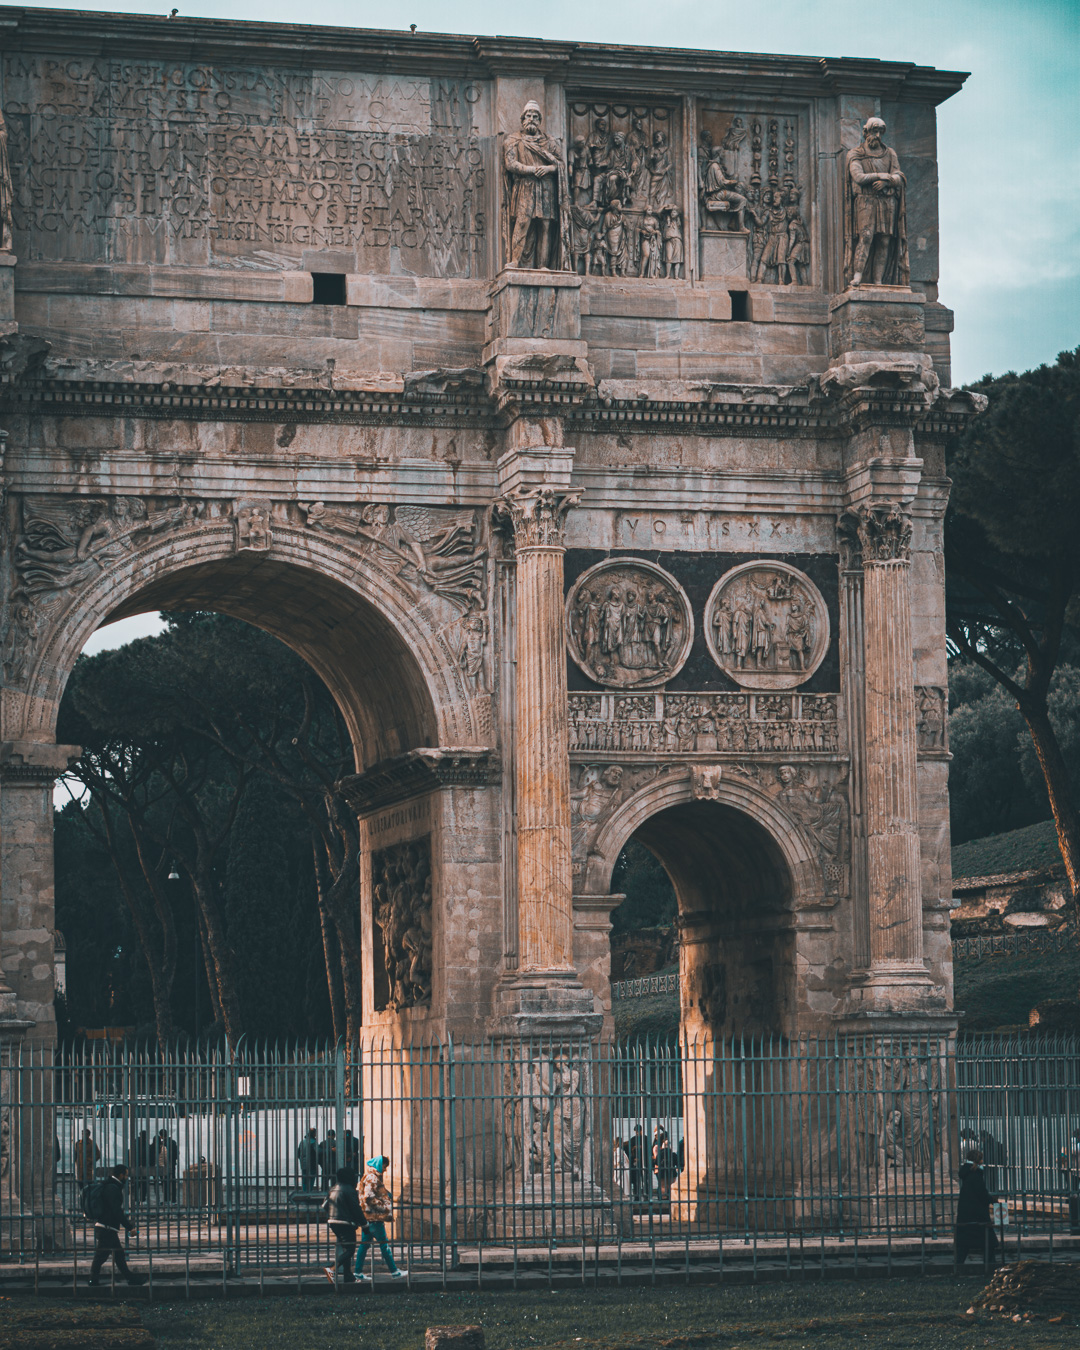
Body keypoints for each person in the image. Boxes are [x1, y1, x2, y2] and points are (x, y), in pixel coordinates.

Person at [88, 1165, 147, 1287]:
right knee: (102, 1256)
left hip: (106, 1227)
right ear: (120, 1175)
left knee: (118, 1255)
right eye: (126, 1175)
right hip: (107, 1228)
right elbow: (116, 1211)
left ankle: (129, 1278)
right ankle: (93, 1280)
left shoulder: (109, 1186)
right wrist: (130, 1227)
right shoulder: (112, 1188)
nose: (127, 1177)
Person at [354, 1155, 406, 1280]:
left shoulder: (369, 1177)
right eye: (384, 1166)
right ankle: (394, 1271)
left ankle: (357, 1271)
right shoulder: (372, 1178)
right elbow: (369, 1197)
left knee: (364, 1245)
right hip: (374, 1217)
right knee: (384, 1245)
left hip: (369, 1216)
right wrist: (384, 1207)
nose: (385, 1169)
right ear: (379, 1165)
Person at [321, 1166, 365, 1285]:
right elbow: (356, 1209)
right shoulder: (349, 1189)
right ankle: (332, 1268)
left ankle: (348, 1276)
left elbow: (325, 1205)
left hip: (333, 1222)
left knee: (346, 1249)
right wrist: (364, 1223)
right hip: (345, 1222)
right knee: (350, 1250)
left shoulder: (333, 1188)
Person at [955, 1148, 998, 1269]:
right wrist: (992, 1199)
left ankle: (958, 1267)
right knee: (989, 1241)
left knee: (964, 1244)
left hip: (966, 1214)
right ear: (978, 1160)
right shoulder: (975, 1174)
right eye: (981, 1158)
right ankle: (990, 1267)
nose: (983, 1161)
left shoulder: (967, 1173)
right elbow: (981, 1194)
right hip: (977, 1214)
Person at [156, 1128, 179, 1204]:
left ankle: (166, 1200)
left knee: (165, 1183)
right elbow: (176, 1154)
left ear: (161, 1136)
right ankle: (174, 1201)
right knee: (172, 1182)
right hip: (172, 1165)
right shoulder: (173, 1142)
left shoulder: (162, 1144)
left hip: (164, 1166)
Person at [627, 1125, 649, 1202]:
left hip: (639, 1163)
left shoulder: (641, 1139)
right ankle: (642, 1196)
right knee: (641, 1180)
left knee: (641, 1181)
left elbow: (629, 1152)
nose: (637, 1132)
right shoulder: (645, 1139)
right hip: (640, 1163)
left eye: (638, 1131)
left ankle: (641, 1196)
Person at [297, 1126, 318, 1192]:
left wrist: (301, 1160)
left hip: (303, 1164)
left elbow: (298, 1153)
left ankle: (304, 1191)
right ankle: (309, 1192)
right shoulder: (313, 1142)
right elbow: (318, 1151)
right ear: (314, 1134)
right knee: (311, 1178)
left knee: (304, 1179)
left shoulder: (302, 1142)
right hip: (312, 1163)